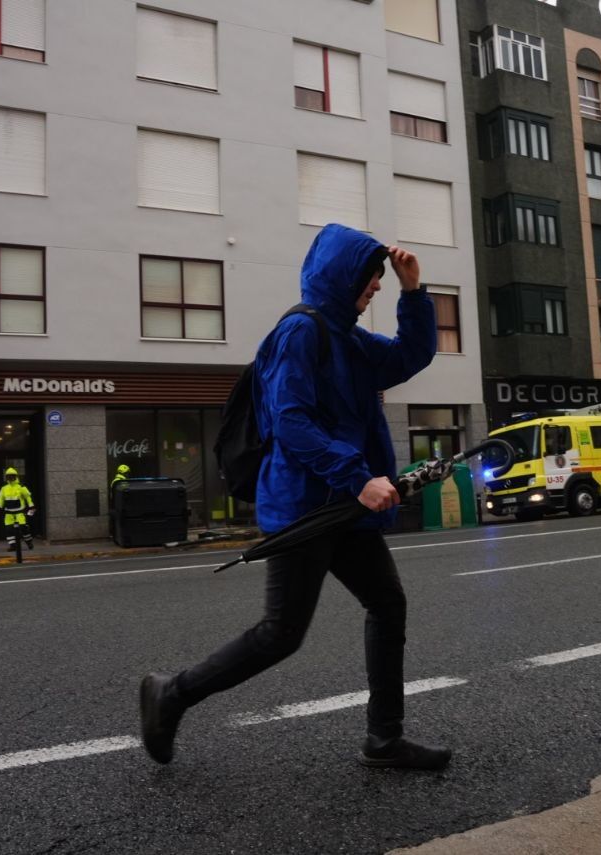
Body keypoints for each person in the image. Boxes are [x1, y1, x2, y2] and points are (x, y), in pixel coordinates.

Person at [139, 223, 446, 771]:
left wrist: (414, 292)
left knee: (387, 603)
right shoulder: (301, 332)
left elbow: (408, 358)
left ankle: (384, 738)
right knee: (281, 633)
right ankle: (172, 693)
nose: (376, 286)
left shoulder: (350, 337)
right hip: (305, 507)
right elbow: (291, 421)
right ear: (342, 275)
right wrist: (359, 476)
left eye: (380, 278)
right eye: (371, 277)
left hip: (345, 506)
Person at [0, 467, 34, 551]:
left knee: (23, 528)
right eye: (8, 476)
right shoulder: (4, 488)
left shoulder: (21, 487)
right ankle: (13, 545)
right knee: (9, 529)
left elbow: (28, 497)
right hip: (8, 513)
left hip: (20, 512)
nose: (10, 478)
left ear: (16, 476)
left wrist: (31, 506)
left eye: (12, 476)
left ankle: (29, 542)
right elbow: (1, 499)